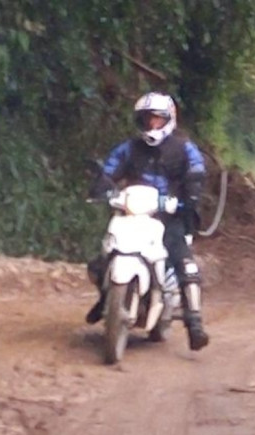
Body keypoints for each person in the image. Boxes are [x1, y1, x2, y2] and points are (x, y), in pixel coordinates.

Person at [86, 91, 210, 351]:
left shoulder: (183, 148)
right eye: (146, 120)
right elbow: (110, 169)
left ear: (169, 120)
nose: (151, 125)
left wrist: (191, 193)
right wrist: (102, 186)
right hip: (133, 211)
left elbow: (196, 169)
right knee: (103, 255)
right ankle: (105, 299)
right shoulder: (129, 148)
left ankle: (194, 322)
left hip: (169, 214)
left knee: (184, 263)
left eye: (157, 120)